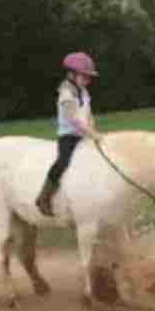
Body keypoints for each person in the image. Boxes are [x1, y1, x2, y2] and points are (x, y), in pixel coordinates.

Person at [35, 52, 103, 216]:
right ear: (72, 74)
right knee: (63, 161)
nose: (88, 80)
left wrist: (93, 129)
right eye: (85, 76)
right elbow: (75, 120)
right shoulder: (66, 93)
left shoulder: (84, 92)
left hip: (84, 134)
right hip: (69, 136)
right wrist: (93, 134)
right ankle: (44, 196)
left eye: (89, 77)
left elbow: (87, 114)